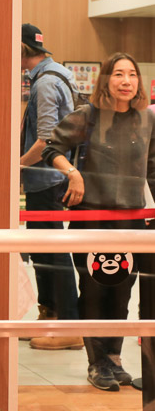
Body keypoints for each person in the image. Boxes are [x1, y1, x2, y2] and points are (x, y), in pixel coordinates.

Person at [42, 52, 155, 392]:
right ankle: (96, 362)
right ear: (105, 79)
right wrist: (73, 174)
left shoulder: (146, 120)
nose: (126, 81)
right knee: (93, 291)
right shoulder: (87, 116)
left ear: (139, 82)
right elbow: (51, 147)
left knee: (123, 292)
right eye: (118, 74)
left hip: (132, 222)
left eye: (132, 75)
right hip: (92, 218)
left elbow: (153, 169)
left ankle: (115, 359)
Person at [18, 23, 82, 350]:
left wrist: (17, 164)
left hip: (48, 177)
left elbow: (46, 140)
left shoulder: (44, 83)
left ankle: (68, 324)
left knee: (53, 251)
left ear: (23, 51)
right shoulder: (61, 74)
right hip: (53, 177)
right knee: (45, 249)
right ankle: (52, 315)